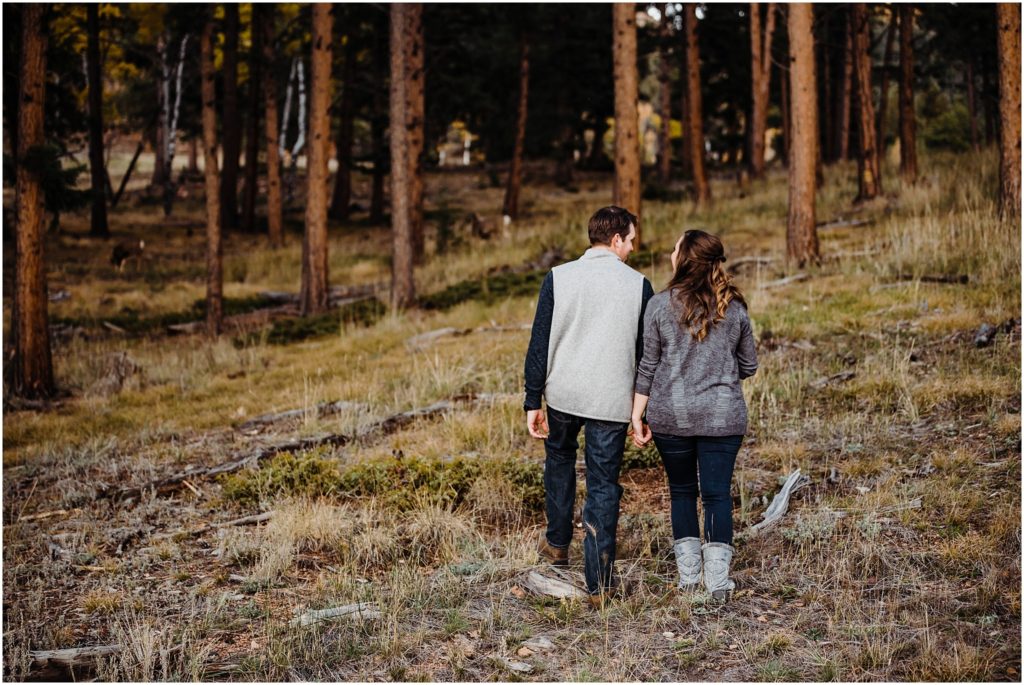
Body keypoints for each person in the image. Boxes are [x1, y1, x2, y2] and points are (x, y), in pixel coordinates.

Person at [523, 206, 654, 606]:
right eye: (631, 240)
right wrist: (639, 412)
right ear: (615, 239)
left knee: (559, 463)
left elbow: (539, 341)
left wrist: (533, 399)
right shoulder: (639, 285)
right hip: (611, 401)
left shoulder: (559, 277)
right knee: (602, 485)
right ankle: (600, 583)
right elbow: (644, 353)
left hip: (563, 394)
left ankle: (558, 545)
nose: (632, 247)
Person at [630, 229, 758, 603]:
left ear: (684, 258)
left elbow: (647, 366)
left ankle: (689, 579)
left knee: (682, 492)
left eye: (674, 248)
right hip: (722, 417)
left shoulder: (658, 305)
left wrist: (637, 416)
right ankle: (717, 584)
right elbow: (748, 365)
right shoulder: (734, 307)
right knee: (717, 495)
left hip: (672, 416)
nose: (670, 253)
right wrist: (717, 372)